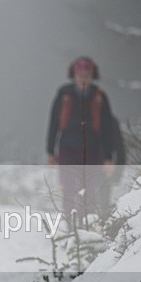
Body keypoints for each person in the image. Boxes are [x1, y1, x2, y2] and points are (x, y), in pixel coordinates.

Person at [46, 56, 116, 222]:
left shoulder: (100, 97)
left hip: (93, 149)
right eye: (80, 75)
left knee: (89, 189)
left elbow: (107, 128)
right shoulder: (64, 95)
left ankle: (86, 224)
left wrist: (108, 156)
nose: (83, 79)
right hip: (68, 148)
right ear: (74, 76)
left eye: (87, 75)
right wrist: (50, 151)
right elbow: (54, 122)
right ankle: (70, 224)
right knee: (69, 188)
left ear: (92, 77)